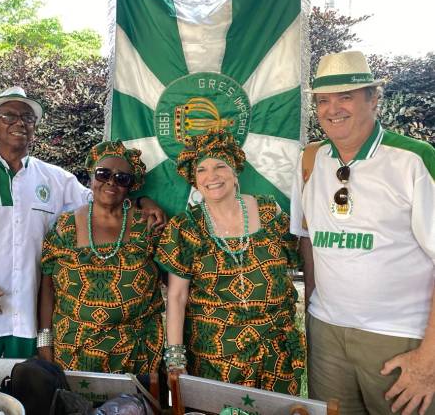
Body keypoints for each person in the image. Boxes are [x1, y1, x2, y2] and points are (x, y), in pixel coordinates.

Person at [0, 87, 166, 359]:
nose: (20, 123)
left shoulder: (55, 179)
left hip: (26, 320)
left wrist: (143, 201)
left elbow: (104, 197)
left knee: (25, 397)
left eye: (28, 117)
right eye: (8, 116)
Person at [290, 50, 435, 415]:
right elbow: (308, 241)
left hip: (400, 336)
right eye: (323, 100)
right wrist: (311, 312)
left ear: (373, 99)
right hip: (327, 333)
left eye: (346, 97)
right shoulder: (310, 159)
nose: (332, 109)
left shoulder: (414, 160)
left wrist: (428, 361)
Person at [156, 128, 305, 395]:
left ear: (235, 172)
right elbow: (177, 296)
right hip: (215, 355)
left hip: (275, 352)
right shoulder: (186, 227)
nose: (211, 176)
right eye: (201, 170)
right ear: (194, 180)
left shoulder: (270, 212)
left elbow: (293, 264)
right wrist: (176, 359)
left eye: (220, 166)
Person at [37, 140, 165, 373]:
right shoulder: (65, 226)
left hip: (137, 353)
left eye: (121, 178)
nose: (111, 182)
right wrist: (44, 341)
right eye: (103, 174)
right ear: (91, 177)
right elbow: (47, 285)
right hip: (73, 350)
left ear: (130, 186)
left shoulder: (147, 225)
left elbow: (173, 281)